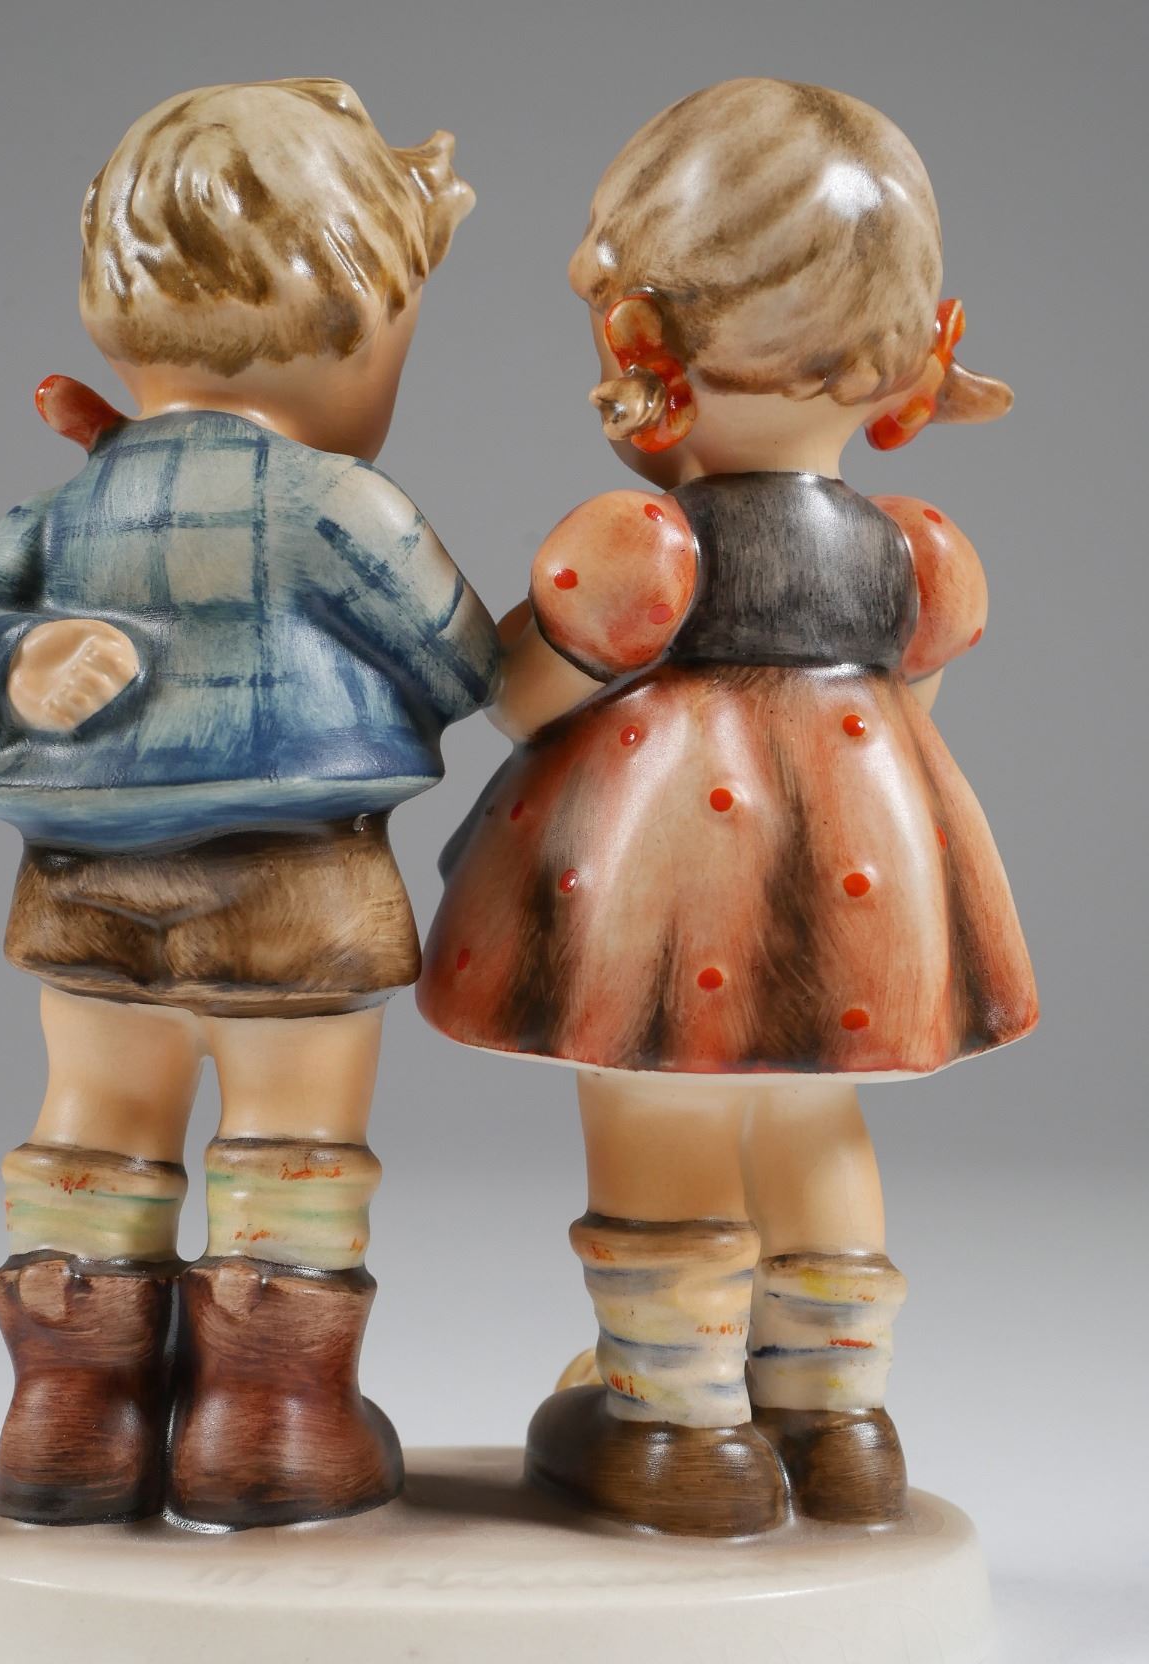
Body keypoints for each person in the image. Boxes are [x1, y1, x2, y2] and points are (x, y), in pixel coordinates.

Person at [418, 78, 1036, 1534]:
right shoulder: (917, 553)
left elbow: (517, 696)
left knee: (665, 1110)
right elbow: (910, 718)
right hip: (859, 881)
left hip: (664, 886)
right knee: (816, 1120)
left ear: (640, 338)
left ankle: (679, 1420)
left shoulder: (642, 543)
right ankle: (837, 1414)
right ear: (904, 366)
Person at [0, 80, 497, 1529]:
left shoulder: (69, 504)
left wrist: (17, 663)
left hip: (85, 883)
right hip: (296, 887)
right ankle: (270, 1417)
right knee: (292, 1133)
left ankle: (72, 1408)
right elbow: (463, 664)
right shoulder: (334, 502)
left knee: (96, 1115)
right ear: (355, 319)